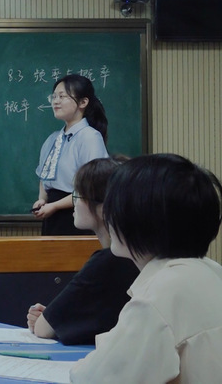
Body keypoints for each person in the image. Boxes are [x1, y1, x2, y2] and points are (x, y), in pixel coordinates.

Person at [71, 153, 222, 382]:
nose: (109, 217)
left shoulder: (159, 296)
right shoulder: (212, 271)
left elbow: (93, 378)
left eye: (116, 207)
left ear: (141, 219)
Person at [26, 157, 139, 345]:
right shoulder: (138, 255)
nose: (74, 202)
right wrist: (55, 319)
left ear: (104, 207)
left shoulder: (106, 262)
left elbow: (43, 328)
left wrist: (46, 320)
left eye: (78, 195)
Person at [32, 74, 109, 235]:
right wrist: (42, 200)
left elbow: (91, 187)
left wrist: (55, 206)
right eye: (54, 97)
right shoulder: (53, 139)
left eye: (62, 96)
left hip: (78, 216)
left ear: (83, 102)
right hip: (51, 214)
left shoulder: (90, 137)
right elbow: (44, 177)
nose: (56, 101)